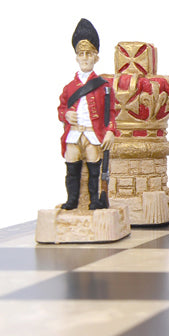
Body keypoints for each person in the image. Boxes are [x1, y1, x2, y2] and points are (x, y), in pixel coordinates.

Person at [57, 18, 116, 210]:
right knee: (71, 168)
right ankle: (72, 201)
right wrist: (66, 115)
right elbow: (61, 109)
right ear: (77, 57)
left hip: (92, 133)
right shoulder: (69, 87)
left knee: (94, 169)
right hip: (74, 133)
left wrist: (110, 131)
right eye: (81, 54)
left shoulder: (104, 87)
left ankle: (94, 201)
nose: (84, 58)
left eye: (88, 54)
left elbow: (111, 112)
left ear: (95, 57)